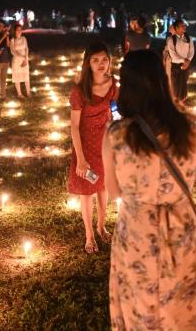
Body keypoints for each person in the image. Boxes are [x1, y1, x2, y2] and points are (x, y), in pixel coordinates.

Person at [103, 50, 196, 330]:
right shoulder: (192, 126)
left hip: (137, 233)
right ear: (163, 79)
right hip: (182, 229)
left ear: (126, 86)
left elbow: (113, 191)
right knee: (186, 309)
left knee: (141, 310)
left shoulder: (116, 134)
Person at [69, 41, 118, 253]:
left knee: (104, 188)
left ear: (109, 62)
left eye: (104, 60)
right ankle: (89, 235)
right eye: (95, 60)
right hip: (85, 146)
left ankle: (101, 226)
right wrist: (80, 158)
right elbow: (74, 126)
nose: (101, 64)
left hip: (105, 143)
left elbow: (115, 113)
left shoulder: (114, 85)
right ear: (88, 63)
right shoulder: (80, 91)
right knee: (88, 191)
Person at [165, 19, 195, 103]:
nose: (184, 27)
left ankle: (184, 102)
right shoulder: (171, 40)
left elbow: (191, 51)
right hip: (175, 66)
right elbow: (173, 55)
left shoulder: (189, 38)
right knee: (175, 85)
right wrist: (183, 60)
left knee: (184, 84)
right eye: (182, 26)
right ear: (176, 28)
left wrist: (188, 61)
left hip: (186, 65)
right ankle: (176, 103)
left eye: (184, 26)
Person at [9, 24, 31, 97]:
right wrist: (22, 56)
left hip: (24, 60)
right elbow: (12, 51)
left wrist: (26, 58)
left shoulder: (24, 38)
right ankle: (19, 94)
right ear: (14, 31)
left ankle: (28, 92)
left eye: (20, 30)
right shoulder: (12, 40)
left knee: (26, 76)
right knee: (17, 77)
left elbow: (26, 48)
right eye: (18, 30)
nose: (19, 31)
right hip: (17, 61)